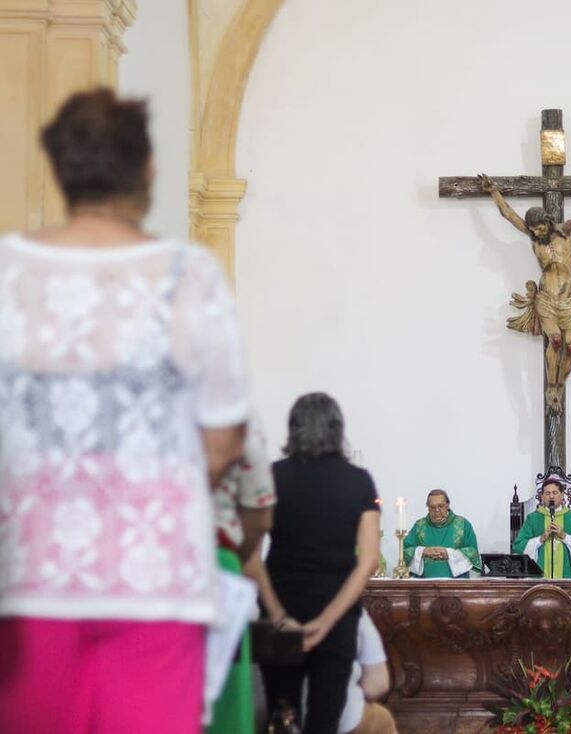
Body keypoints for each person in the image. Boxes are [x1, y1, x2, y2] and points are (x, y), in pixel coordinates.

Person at [0, 88, 249, 734]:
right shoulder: (188, 274)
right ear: (148, 170)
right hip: (156, 573)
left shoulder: (6, 272)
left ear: (59, 171)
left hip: (29, 572)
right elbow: (224, 436)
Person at [260, 393, 381, 734]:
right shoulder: (359, 481)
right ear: (337, 429)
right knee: (325, 722)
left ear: (293, 429)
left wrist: (280, 618)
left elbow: (250, 556)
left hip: (280, 614)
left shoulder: (272, 476)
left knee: (282, 720)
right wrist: (326, 622)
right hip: (337, 619)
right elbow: (369, 559)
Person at [479, 173, 571, 413]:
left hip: (568, 299)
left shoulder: (567, 231)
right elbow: (508, 215)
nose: (537, 234)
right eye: (533, 231)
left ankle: (559, 384)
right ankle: (551, 388)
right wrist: (493, 191)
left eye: (540, 228)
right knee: (555, 340)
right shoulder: (534, 238)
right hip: (546, 299)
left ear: (548, 221)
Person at [209, 415, 277, 734]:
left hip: (128, 565)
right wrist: (235, 553)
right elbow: (260, 516)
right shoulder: (232, 413)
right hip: (218, 561)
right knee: (224, 709)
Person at [511, 469, 571, 579]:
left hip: (568, 575)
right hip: (539, 578)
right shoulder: (533, 519)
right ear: (542, 497)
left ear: (562, 495)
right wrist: (541, 539)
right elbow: (518, 548)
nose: (551, 496)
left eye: (555, 493)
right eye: (547, 493)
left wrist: (564, 536)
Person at [402, 489, 482, 578]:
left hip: (456, 586)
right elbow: (404, 551)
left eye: (440, 506)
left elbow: (473, 553)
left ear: (447, 505)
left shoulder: (463, 525)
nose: (437, 510)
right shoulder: (419, 526)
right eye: (432, 507)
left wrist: (449, 554)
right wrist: (423, 552)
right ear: (428, 507)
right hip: (424, 586)